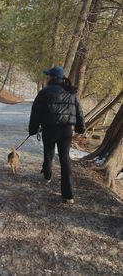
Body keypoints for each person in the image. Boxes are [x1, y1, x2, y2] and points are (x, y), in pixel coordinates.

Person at [28, 66, 86, 204]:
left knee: (48, 152)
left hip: (49, 129)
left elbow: (35, 113)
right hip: (66, 130)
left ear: (52, 77)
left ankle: (47, 175)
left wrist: (33, 129)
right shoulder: (71, 92)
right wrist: (81, 127)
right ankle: (68, 195)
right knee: (65, 159)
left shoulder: (44, 93)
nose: (47, 77)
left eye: (48, 75)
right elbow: (79, 111)